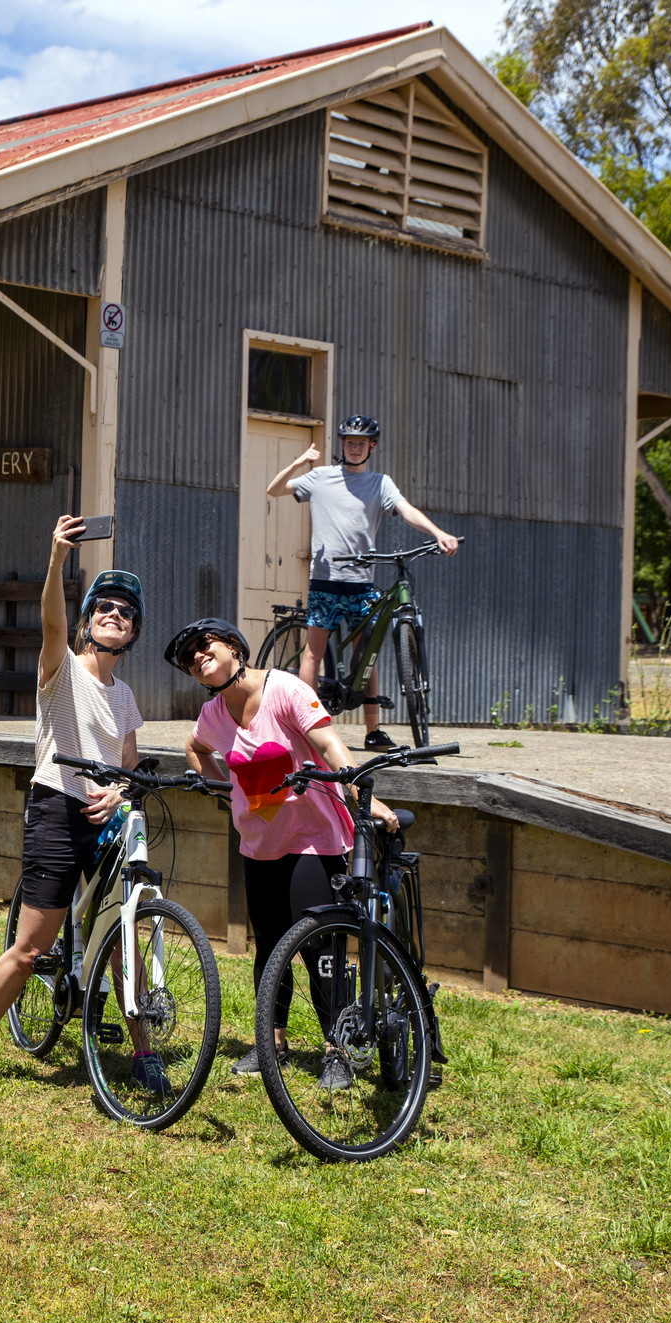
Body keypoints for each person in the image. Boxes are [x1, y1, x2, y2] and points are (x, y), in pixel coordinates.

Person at [0, 516, 155, 1089]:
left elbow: (127, 763)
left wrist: (120, 792)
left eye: (125, 611)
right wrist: (55, 562)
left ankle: (145, 1054)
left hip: (106, 821)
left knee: (127, 945)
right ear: (89, 621)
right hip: (55, 807)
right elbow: (51, 620)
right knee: (29, 948)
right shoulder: (61, 668)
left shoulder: (125, 698)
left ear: (133, 632)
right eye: (105, 608)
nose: (114, 614)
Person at [165, 616, 398, 1086]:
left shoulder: (285, 690)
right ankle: (271, 1044)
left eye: (204, 645)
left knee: (319, 945)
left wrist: (362, 795)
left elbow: (328, 743)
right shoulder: (213, 713)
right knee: (269, 947)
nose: (197, 655)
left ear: (235, 647)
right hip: (258, 846)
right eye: (189, 656)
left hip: (313, 839)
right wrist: (222, 790)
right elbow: (194, 747)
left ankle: (338, 1047)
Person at [266, 414, 458, 750]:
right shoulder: (321, 477)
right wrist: (299, 462)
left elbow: (405, 508)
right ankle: (306, 727)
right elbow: (275, 489)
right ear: (342, 445)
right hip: (326, 579)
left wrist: (438, 532)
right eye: (349, 442)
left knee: (367, 653)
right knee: (313, 653)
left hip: (362, 583)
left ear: (372, 446)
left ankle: (373, 731)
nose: (355, 448)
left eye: (361, 443)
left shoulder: (380, 483)